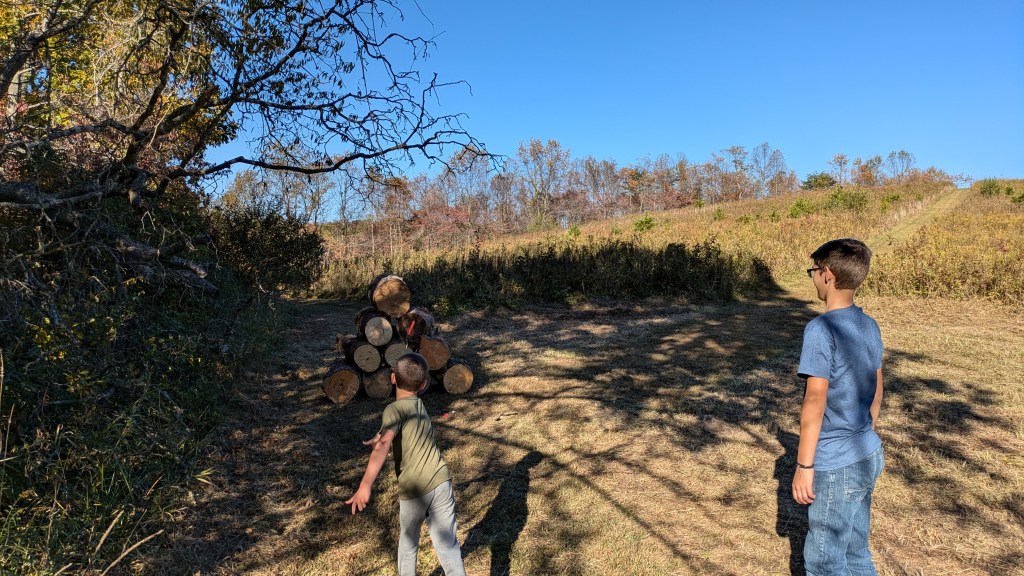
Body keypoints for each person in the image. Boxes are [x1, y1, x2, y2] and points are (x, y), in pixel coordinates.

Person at [792, 238, 885, 576]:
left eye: (814, 271)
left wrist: (804, 466)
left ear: (827, 274)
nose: (813, 278)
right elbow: (878, 387)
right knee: (857, 554)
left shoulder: (821, 329)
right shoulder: (868, 325)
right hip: (867, 452)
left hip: (836, 465)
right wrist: (864, 431)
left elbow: (815, 400)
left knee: (824, 564)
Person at [346, 352, 467, 576]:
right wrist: (381, 434)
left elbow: (384, 445)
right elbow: (401, 427)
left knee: (408, 544)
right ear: (423, 384)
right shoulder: (418, 404)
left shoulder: (393, 409)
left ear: (392, 378)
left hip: (415, 490)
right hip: (441, 481)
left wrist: (365, 485)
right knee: (447, 544)